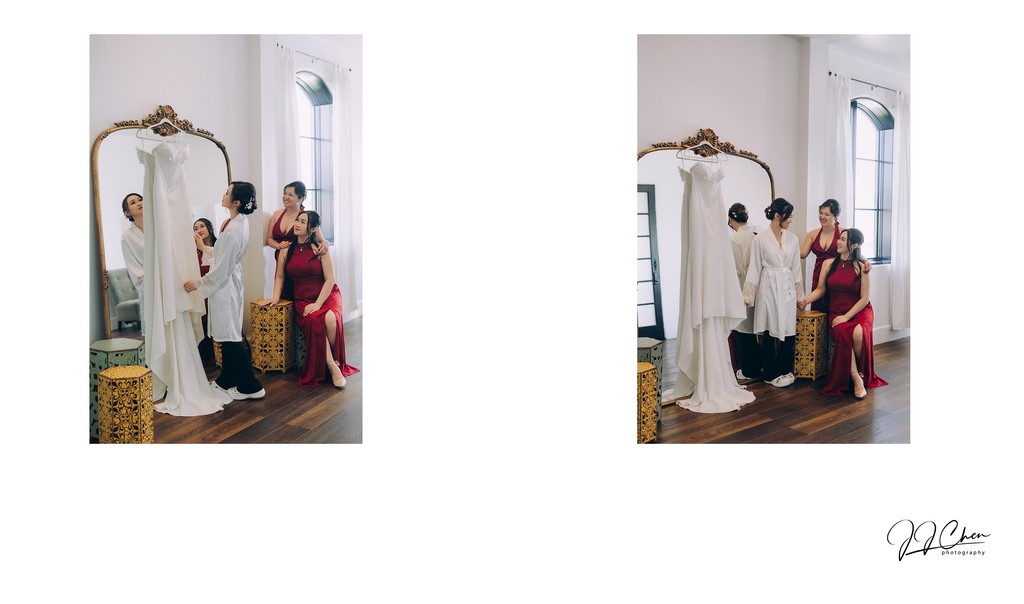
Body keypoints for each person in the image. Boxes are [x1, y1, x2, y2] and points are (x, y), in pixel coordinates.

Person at [185, 181, 265, 400]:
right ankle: (226, 379)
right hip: (228, 282)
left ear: (236, 202)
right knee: (226, 334)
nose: (223, 194)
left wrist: (198, 283)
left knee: (230, 335)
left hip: (225, 286)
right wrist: (205, 248)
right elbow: (224, 255)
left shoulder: (233, 230)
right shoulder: (237, 222)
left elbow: (221, 269)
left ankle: (251, 386)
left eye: (227, 192)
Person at [261, 210, 359, 388]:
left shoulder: (320, 249)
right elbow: (280, 276)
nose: (297, 224)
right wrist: (275, 297)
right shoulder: (286, 249)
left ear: (312, 229)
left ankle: (332, 360)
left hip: (327, 293)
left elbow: (330, 279)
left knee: (330, 318)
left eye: (302, 222)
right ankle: (332, 366)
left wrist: (318, 303)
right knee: (315, 320)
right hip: (303, 297)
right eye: (297, 220)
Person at [798, 228, 888, 398]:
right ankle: (856, 377)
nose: (838, 242)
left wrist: (847, 317)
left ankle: (860, 370)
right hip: (837, 310)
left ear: (853, 245)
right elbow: (820, 289)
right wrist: (805, 300)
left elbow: (864, 299)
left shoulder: (862, 267)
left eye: (843, 239)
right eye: (839, 238)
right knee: (842, 332)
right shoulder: (828, 264)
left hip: (859, 310)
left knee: (858, 334)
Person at [743, 198, 802, 388]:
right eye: (789, 216)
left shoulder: (792, 239)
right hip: (768, 287)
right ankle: (770, 373)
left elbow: (796, 269)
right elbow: (754, 269)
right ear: (778, 216)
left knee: (788, 329)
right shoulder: (760, 239)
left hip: (787, 287)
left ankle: (785, 369)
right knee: (769, 329)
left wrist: (800, 296)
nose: (791, 220)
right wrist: (748, 295)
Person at [800, 199, 870, 310]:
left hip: (837, 276)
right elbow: (802, 254)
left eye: (827, 214)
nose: (822, 217)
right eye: (821, 213)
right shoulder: (812, 234)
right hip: (819, 275)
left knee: (835, 308)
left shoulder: (844, 234)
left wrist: (866, 262)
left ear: (836, 216)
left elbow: (856, 252)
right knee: (818, 309)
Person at [264, 181, 326, 300]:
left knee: (297, 296)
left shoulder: (305, 217)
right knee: (282, 295)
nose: (285, 197)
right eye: (284, 193)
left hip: (299, 263)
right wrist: (279, 246)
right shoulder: (277, 214)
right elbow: (269, 239)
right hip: (280, 259)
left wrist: (326, 244)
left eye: (290, 195)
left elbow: (321, 240)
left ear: (300, 198)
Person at [727, 203, 760, 381]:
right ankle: (757, 365)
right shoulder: (755, 236)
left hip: (741, 286)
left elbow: (736, 269)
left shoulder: (735, 240)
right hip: (757, 286)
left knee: (742, 330)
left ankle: (748, 369)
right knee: (753, 329)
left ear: (731, 219)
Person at [193, 218, 217, 367]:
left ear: (211, 228)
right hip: (200, 294)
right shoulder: (195, 254)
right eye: (196, 228)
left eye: (202, 226)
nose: (199, 229)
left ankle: (214, 355)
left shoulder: (217, 248)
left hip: (215, 293)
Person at [120, 193, 145, 331]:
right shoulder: (127, 237)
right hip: (149, 285)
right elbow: (133, 266)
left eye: (140, 200)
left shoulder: (158, 226)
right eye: (133, 202)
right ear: (127, 212)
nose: (139, 203)